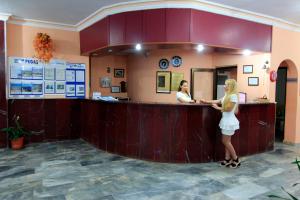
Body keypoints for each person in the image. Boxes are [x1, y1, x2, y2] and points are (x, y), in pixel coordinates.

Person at [200, 79, 240, 168]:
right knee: (227, 142)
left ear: (231, 86)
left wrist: (217, 108)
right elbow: (218, 100)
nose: (224, 86)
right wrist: (206, 101)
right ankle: (227, 159)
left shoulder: (233, 96)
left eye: (226, 85)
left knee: (225, 141)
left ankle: (236, 159)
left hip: (229, 122)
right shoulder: (227, 95)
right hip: (226, 120)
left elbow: (229, 109)